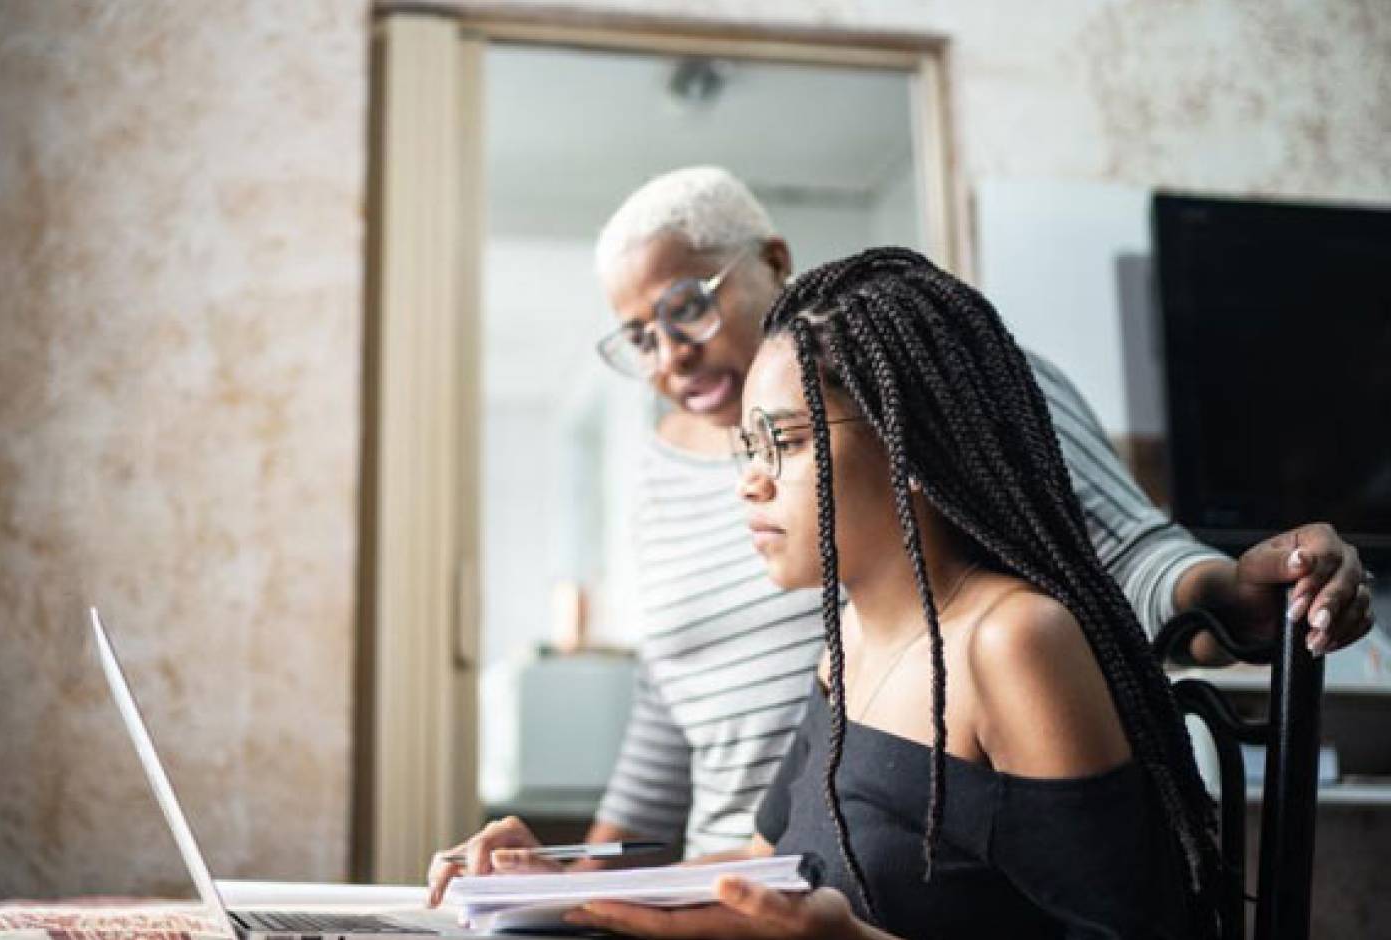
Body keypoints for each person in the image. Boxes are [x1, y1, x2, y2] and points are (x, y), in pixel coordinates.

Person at [572, 167, 1372, 864]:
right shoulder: (658, 482)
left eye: (687, 306)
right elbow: (667, 699)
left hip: (908, 880)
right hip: (746, 872)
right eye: (640, 337)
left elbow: (1124, 555)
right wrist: (577, 878)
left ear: (772, 261)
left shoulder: (944, 389)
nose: (670, 352)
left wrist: (1230, 597)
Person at [442, 249, 1224, 938]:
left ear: (909, 441)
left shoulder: (1013, 642)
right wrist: (560, 888)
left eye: (785, 440)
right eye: (748, 445)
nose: (749, 480)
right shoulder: (846, 641)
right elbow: (764, 863)